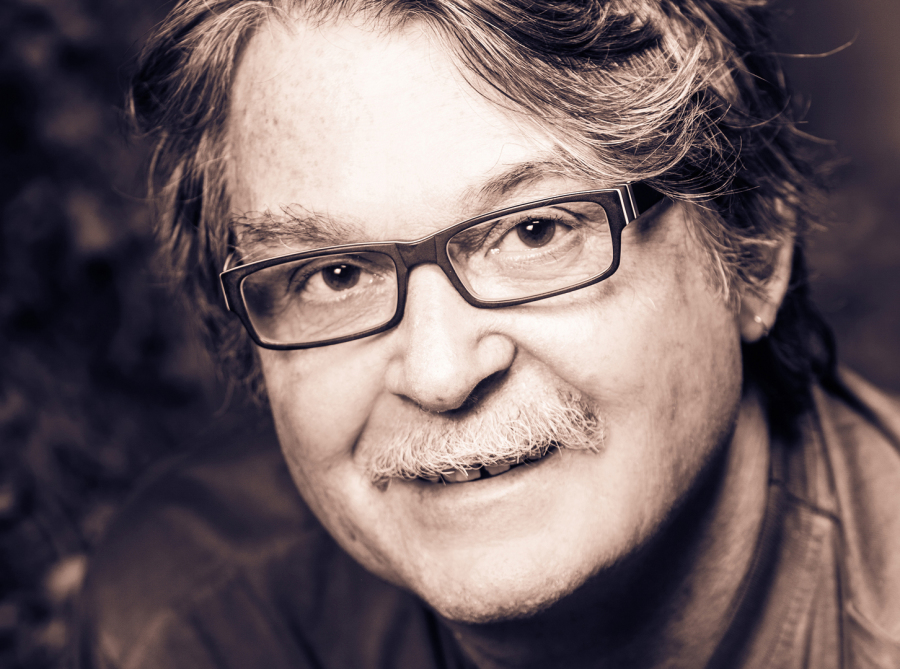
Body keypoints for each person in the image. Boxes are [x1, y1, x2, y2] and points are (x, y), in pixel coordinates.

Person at [75, 1, 900, 667]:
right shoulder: (196, 622)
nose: (440, 373)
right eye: (336, 274)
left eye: (536, 231)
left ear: (753, 247)